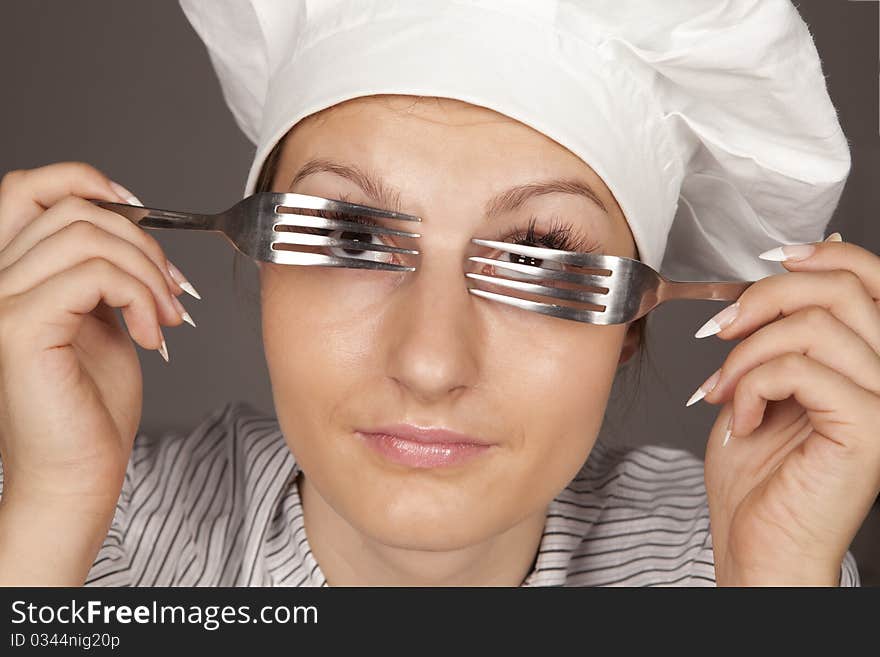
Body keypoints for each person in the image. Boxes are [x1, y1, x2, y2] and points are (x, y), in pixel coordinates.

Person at [0, 0, 876, 586]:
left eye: (540, 257)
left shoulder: (733, 563)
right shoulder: (70, 532)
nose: (429, 360)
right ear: (262, 270)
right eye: (346, 236)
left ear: (632, 328)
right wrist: (54, 509)